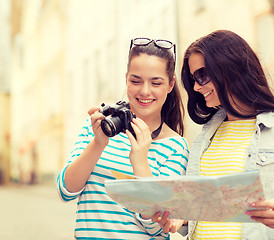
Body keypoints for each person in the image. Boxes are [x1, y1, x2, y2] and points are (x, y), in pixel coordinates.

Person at [153, 30, 274, 239]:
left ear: (228, 69)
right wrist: (181, 217)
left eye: (201, 75)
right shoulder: (206, 136)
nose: (195, 86)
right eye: (193, 78)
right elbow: (201, 208)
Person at [57, 37, 189, 239]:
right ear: (126, 78)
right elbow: (65, 190)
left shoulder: (175, 147)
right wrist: (98, 143)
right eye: (136, 81)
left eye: (156, 82)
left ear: (170, 85)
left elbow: (157, 227)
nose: (145, 91)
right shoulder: (98, 126)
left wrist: (140, 162)